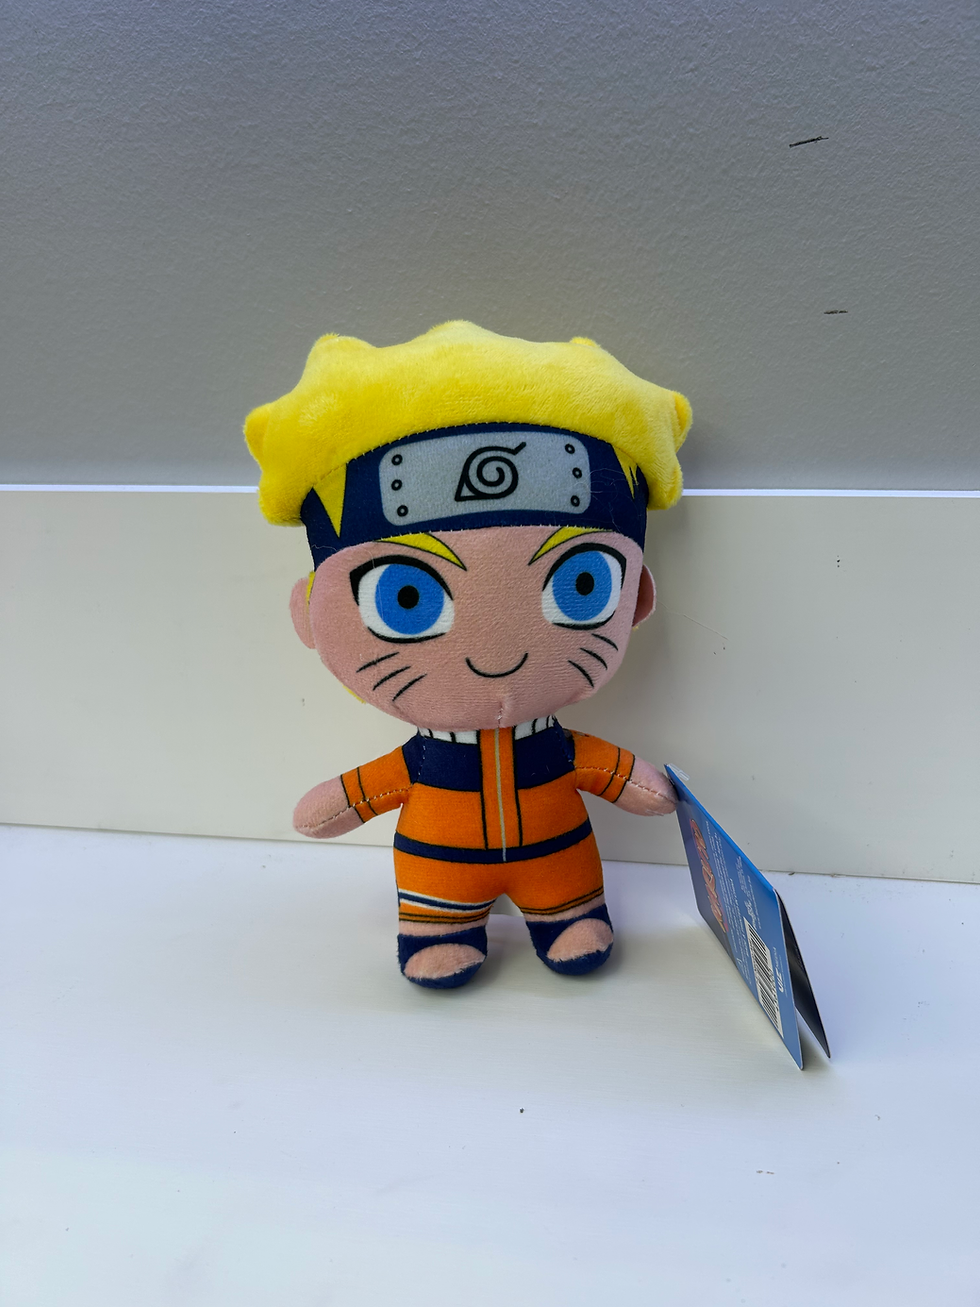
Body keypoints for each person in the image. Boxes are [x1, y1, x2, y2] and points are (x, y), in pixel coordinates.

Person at [246, 321, 691, 988]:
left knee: (571, 903)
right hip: (440, 871)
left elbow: (609, 769)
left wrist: (649, 786)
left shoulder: (552, 748)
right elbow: (362, 791)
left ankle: (568, 915)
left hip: (559, 862)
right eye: (405, 596)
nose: (498, 655)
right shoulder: (427, 760)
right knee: (438, 911)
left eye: (581, 584)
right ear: (310, 614)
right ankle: (439, 926)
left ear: (638, 597)